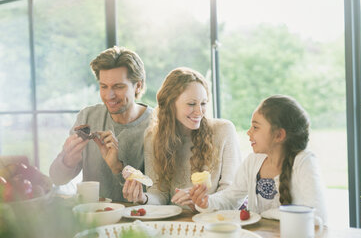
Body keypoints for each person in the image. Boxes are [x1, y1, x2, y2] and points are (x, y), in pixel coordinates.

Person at [190, 95, 327, 223]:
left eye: (255, 127)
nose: (249, 132)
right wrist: (207, 202)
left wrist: (265, 215)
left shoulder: (304, 162)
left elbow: (316, 216)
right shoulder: (252, 162)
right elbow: (230, 197)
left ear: (279, 135)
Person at [122, 67, 241, 209]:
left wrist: (203, 201)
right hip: (176, 224)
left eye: (203, 103)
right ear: (170, 104)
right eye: (191, 104)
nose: (199, 111)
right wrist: (143, 198)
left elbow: (233, 195)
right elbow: (159, 194)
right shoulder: (153, 137)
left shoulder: (224, 131)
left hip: (214, 223)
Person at [49, 46, 153, 201]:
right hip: (94, 216)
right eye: (103, 86)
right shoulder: (88, 117)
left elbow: (160, 194)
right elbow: (57, 179)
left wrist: (119, 168)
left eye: (118, 86)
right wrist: (67, 161)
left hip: (139, 218)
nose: (109, 95)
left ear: (138, 85)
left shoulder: (156, 125)